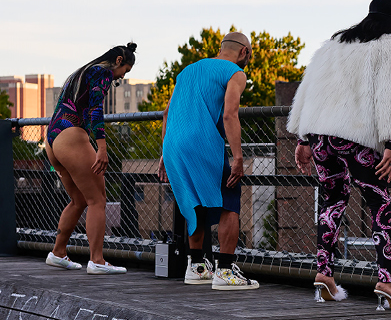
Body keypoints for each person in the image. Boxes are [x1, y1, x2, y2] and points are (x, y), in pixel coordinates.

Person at [289, 0, 391, 310]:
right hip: (358, 138)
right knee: (379, 204)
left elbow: (310, 91)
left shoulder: (331, 47)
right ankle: (387, 281)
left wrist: (304, 137)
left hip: (321, 136)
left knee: (331, 203)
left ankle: (324, 274)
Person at [158, 31, 260, 291]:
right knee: (229, 200)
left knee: (195, 200)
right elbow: (229, 115)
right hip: (202, 141)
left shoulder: (188, 71)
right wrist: (238, 157)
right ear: (244, 52)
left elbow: (168, 112)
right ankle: (225, 270)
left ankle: (197, 267)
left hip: (174, 144)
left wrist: (163, 153)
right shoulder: (235, 73)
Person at [42, 43, 135, 276]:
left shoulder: (83, 71)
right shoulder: (102, 72)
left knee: (79, 200)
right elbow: (95, 108)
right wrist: (101, 147)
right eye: (126, 69)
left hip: (53, 138)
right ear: (118, 60)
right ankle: (97, 260)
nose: (122, 76)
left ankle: (58, 253)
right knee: (98, 200)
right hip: (72, 135)